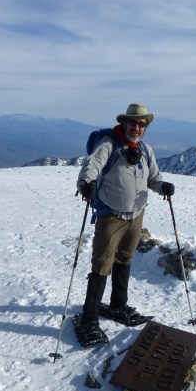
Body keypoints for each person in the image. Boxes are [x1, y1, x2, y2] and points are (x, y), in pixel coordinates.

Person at [76, 103, 175, 345]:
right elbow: (92, 167)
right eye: (133, 123)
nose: (137, 127)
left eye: (142, 124)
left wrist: (163, 187)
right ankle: (89, 319)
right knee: (101, 265)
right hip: (111, 216)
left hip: (136, 216)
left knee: (124, 259)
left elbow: (153, 178)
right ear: (125, 123)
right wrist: (86, 184)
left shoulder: (145, 150)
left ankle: (118, 305)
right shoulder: (109, 144)